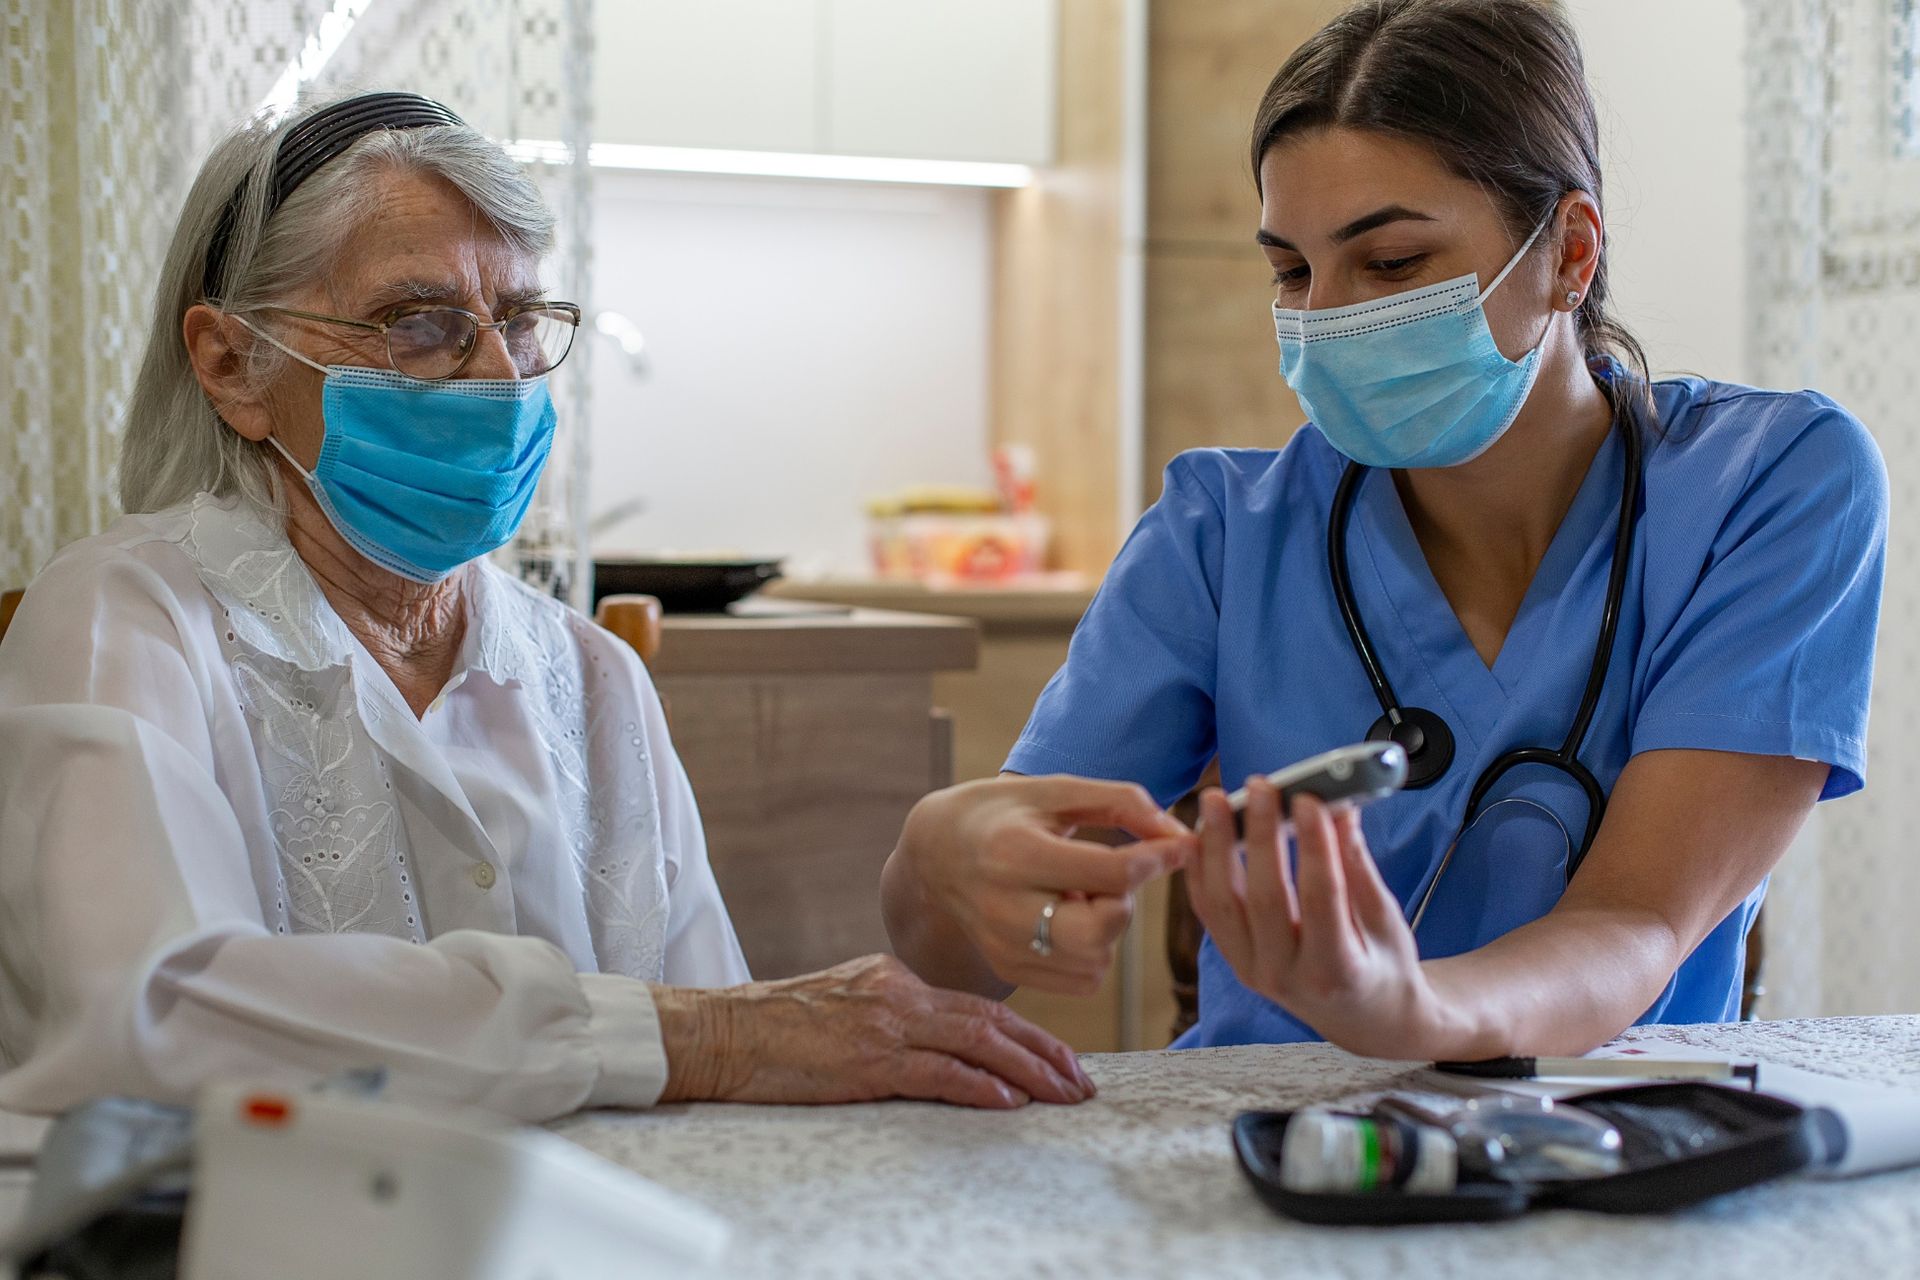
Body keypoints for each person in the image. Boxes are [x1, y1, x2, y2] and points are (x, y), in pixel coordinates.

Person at [0, 91, 1099, 1121]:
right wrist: (689, 1036)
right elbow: (150, 1013)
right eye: (418, 323)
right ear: (233, 364)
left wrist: (735, 1042)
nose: (498, 375)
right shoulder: (125, 615)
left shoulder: (589, 673)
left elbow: (732, 1065)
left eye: (520, 318)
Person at [884, 0, 1887, 1060]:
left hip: (1608, 1160)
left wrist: (1409, 1011)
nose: (1326, 317)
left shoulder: (1773, 485)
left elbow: (1638, 920)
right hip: (1268, 1164)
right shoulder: (1221, 539)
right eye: (1291, 271)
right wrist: (935, 864)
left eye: (1392, 263)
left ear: (1570, 250)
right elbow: (948, 959)